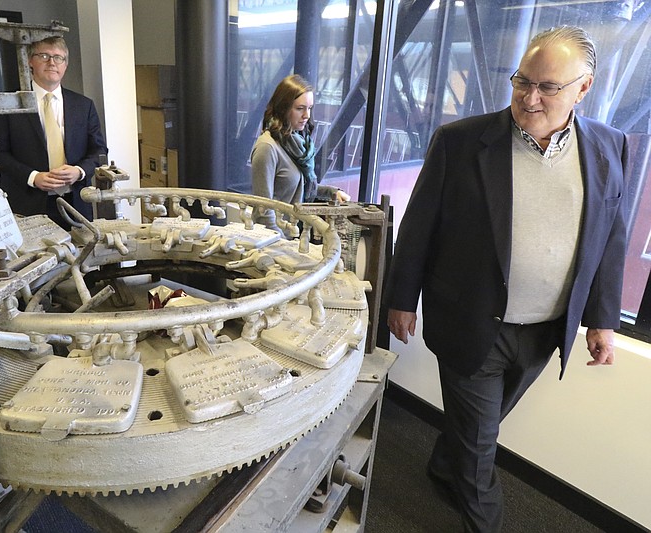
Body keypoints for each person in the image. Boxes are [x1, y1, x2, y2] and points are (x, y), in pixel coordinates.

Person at [384, 26, 627, 532]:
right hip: (473, 322)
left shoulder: (609, 146)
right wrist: (401, 298)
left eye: (547, 87)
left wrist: (604, 320)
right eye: (521, 81)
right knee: (481, 449)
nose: (529, 97)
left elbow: (610, 237)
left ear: (584, 88)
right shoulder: (462, 141)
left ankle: (442, 465)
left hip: (544, 330)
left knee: (480, 428)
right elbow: (418, 227)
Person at [0, 36, 107, 228]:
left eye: (58, 57)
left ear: (65, 65)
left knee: (82, 254)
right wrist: (33, 177)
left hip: (76, 204)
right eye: (44, 56)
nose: (52, 62)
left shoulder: (83, 105)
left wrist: (78, 171)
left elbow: (99, 150)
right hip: (28, 204)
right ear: (30, 61)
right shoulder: (8, 105)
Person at [250, 74, 350, 233]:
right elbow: (263, 212)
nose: (307, 115)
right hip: (276, 242)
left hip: (298, 234)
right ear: (283, 108)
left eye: (309, 108)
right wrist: (284, 247)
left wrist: (332, 192)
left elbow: (302, 188)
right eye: (300, 108)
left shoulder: (298, 142)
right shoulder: (267, 147)